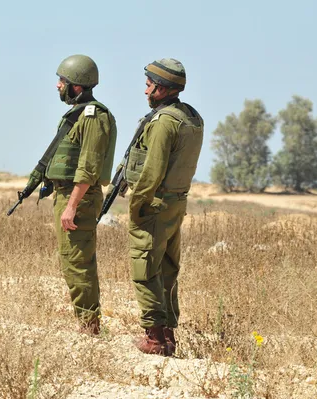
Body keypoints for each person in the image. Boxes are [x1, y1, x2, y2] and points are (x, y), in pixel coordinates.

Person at [25, 54, 117, 335]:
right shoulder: (78, 115)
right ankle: (87, 322)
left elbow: (88, 168)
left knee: (78, 262)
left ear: (77, 86)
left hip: (80, 198)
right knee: (72, 261)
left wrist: (72, 206)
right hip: (68, 195)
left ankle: (90, 327)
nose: (57, 86)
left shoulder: (93, 117)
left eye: (62, 81)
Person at [124, 58, 204, 355]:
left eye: (149, 84)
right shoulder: (190, 116)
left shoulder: (164, 122)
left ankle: (155, 338)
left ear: (161, 88)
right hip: (176, 202)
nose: (145, 89)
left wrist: (137, 203)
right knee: (168, 268)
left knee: (144, 267)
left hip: (155, 204)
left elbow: (152, 171)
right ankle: (168, 334)